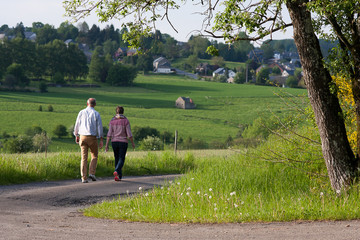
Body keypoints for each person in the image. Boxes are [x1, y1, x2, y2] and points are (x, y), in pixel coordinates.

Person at [73, 98, 103, 183]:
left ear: (87, 103)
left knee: (84, 158)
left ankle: (84, 177)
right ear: (95, 104)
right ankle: (92, 173)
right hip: (92, 137)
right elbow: (99, 127)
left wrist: (76, 135)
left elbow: (77, 124)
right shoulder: (96, 114)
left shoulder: (81, 112)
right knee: (94, 156)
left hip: (82, 136)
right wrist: (101, 138)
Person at [105, 106, 135, 181]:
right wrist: (132, 143)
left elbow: (109, 134)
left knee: (116, 158)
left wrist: (106, 145)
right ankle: (117, 171)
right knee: (122, 158)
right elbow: (129, 134)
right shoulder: (126, 121)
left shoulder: (112, 121)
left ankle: (118, 176)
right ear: (123, 112)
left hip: (114, 142)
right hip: (123, 142)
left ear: (116, 112)